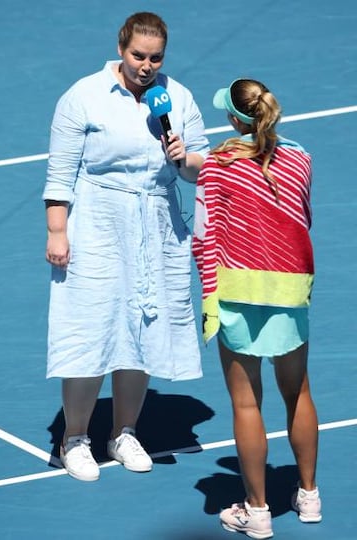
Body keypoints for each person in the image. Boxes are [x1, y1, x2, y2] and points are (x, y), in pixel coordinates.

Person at [43, 11, 209, 482]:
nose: (147, 65)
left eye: (156, 57)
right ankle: (74, 439)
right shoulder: (84, 96)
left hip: (155, 222)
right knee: (92, 325)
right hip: (96, 221)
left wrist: (185, 158)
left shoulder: (175, 98)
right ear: (121, 48)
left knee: (143, 326)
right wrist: (58, 231)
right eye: (139, 55)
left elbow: (203, 164)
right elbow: (60, 173)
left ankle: (124, 432)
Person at [192, 78, 321, 538]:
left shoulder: (218, 165)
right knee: (298, 394)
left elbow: (205, 238)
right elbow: (301, 221)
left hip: (238, 294)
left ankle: (257, 510)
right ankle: (309, 497)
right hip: (290, 292)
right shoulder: (301, 158)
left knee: (247, 403)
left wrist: (209, 300)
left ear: (233, 119)